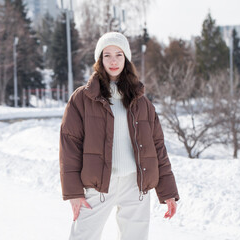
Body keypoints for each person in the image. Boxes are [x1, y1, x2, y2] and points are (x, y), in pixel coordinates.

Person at [59, 32, 179, 240]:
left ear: (126, 59)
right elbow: (70, 145)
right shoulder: (82, 98)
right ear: (100, 59)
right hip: (98, 185)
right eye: (107, 55)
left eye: (119, 54)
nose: (113, 61)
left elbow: (157, 146)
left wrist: (167, 191)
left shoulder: (141, 101)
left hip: (136, 184)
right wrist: (74, 193)